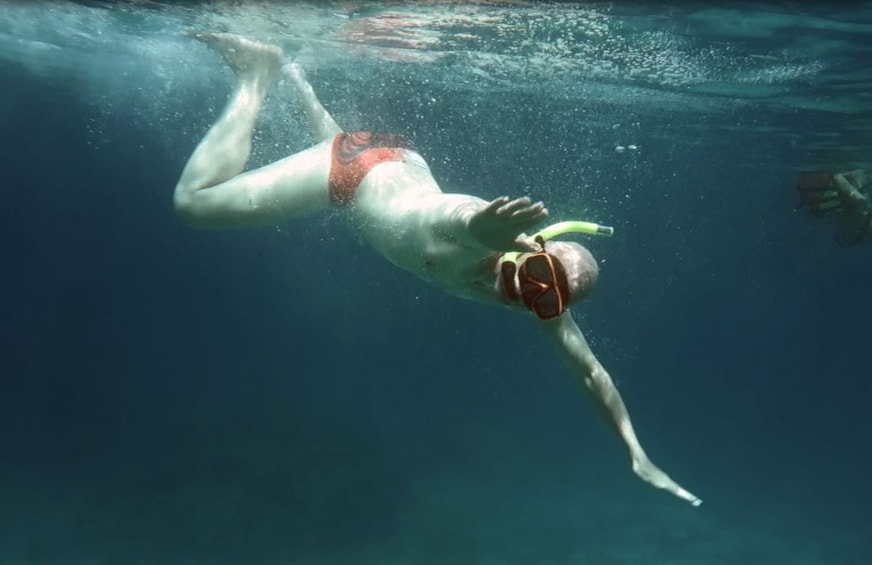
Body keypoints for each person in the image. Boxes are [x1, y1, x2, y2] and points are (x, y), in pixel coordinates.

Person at [173, 33, 702, 506]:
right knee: (194, 205)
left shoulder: (538, 298)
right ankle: (257, 76)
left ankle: (295, 75)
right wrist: (485, 227)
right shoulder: (485, 240)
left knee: (325, 137)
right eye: (535, 275)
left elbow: (590, 372)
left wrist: (634, 449)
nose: (523, 293)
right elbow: (456, 218)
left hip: (391, 165)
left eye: (544, 298)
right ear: (532, 250)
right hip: (353, 174)